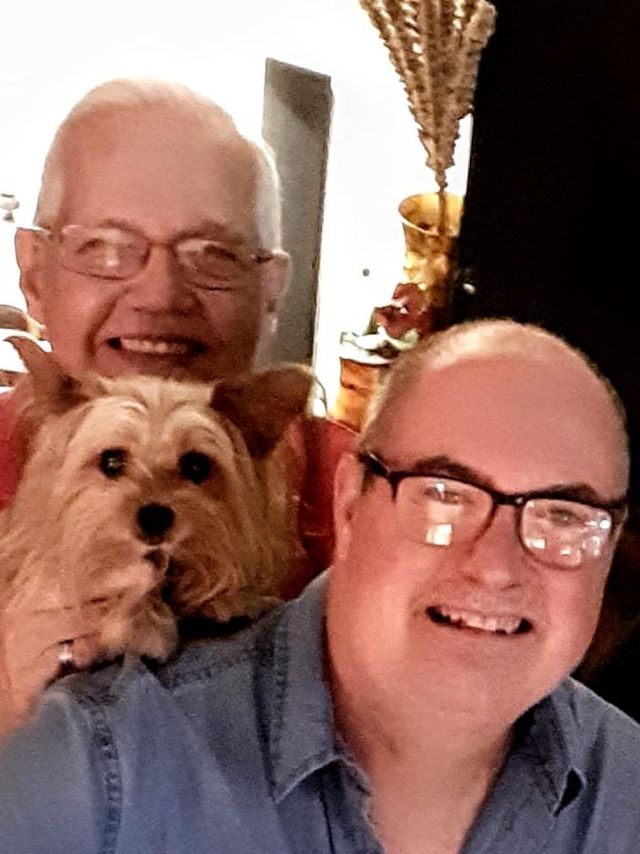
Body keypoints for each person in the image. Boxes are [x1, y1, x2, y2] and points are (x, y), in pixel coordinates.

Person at [1, 318, 638, 853]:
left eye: (565, 515)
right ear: (349, 502)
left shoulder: (625, 786)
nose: (496, 566)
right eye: (443, 495)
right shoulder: (92, 759)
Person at [0, 79, 354, 733]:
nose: (160, 295)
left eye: (213, 255)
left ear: (271, 291)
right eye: (106, 247)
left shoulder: (370, 495)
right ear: (33, 273)